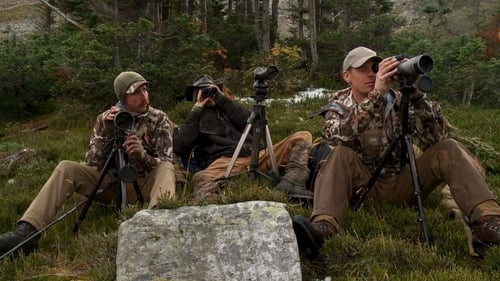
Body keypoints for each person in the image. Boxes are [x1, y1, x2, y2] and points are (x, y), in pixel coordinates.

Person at [292, 46, 500, 259]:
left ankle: (488, 222)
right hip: (363, 188)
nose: (371, 74)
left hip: (402, 183)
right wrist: (375, 96)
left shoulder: (400, 100)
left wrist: (418, 95)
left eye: (375, 68)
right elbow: (338, 137)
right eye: (363, 70)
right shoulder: (337, 106)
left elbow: (435, 137)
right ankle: (324, 225)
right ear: (347, 76)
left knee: (449, 148)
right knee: (340, 154)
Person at [0, 71, 176, 257]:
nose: (144, 97)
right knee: (67, 167)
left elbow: (165, 159)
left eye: (145, 90)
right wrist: (107, 132)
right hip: (113, 185)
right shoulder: (107, 118)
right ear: (123, 97)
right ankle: (27, 233)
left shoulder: (158, 118)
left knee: (166, 167)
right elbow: (93, 162)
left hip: (146, 184)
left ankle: (160, 225)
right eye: (136, 93)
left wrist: (141, 155)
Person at [173, 75, 313, 200]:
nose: (208, 95)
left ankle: (292, 183)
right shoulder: (194, 120)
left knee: (302, 136)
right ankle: (217, 203)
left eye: (211, 91)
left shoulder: (229, 110)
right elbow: (179, 145)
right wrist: (197, 108)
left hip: (256, 155)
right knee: (201, 178)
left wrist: (222, 99)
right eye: (202, 91)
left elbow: (256, 123)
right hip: (224, 162)